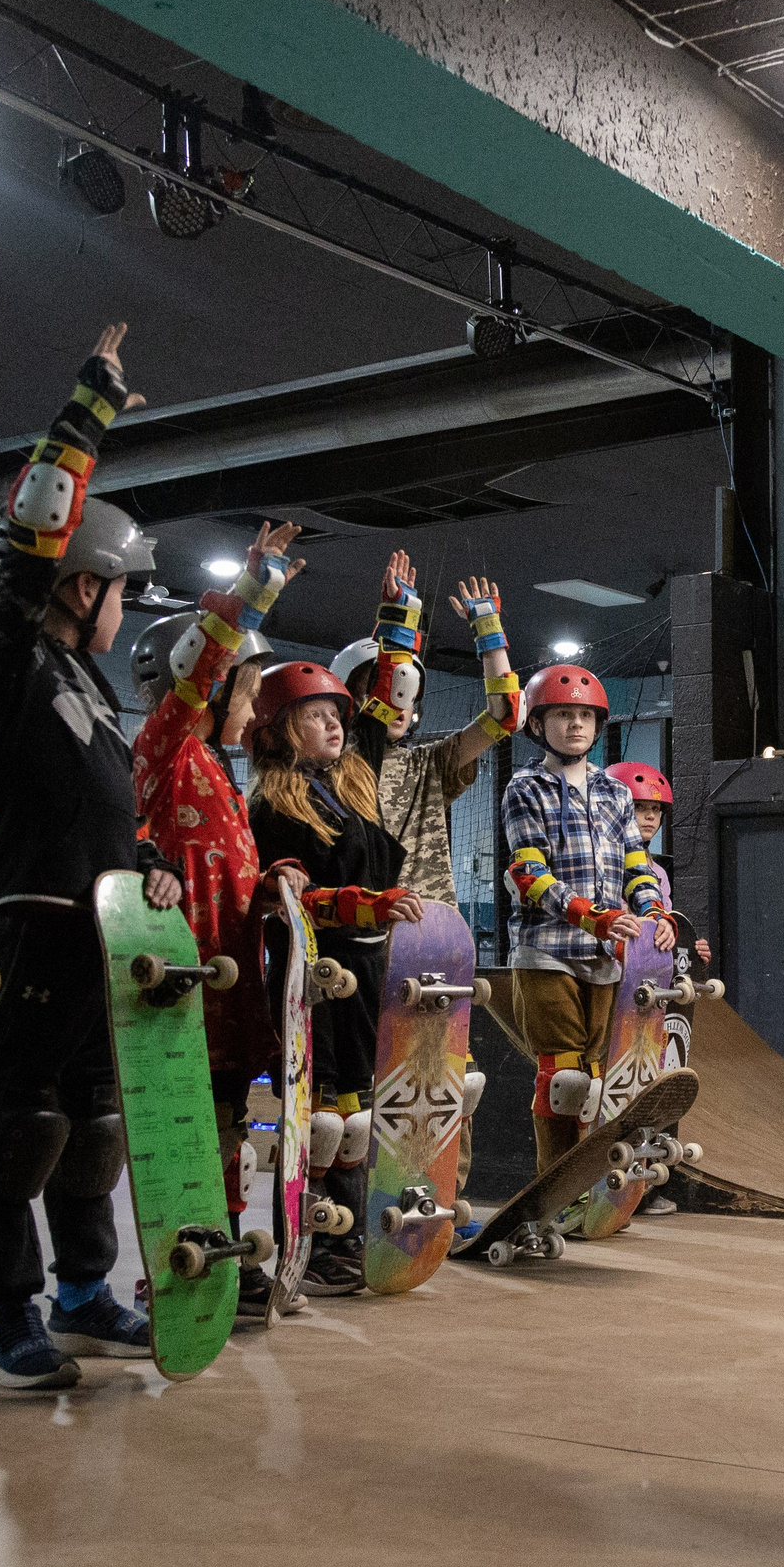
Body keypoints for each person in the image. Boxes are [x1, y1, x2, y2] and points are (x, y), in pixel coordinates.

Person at [0, 322, 184, 1390]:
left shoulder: (88, 684)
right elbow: (25, 549)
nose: (124, 609)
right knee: (23, 1127)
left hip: (101, 926)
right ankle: (6, 1317)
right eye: (120, 588)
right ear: (79, 584)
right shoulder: (0, 657)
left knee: (93, 1123)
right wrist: (86, 414)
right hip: (27, 925)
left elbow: (100, 809)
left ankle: (84, 1294)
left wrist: (149, 860)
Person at [130, 521, 309, 1322]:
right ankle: (170, 1267)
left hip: (233, 991)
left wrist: (272, 885)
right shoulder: (165, 753)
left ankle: (225, 1256)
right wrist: (249, 594)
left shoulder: (222, 775)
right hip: (183, 988)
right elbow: (193, 681)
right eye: (247, 689)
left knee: (231, 1131)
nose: (254, 704)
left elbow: (228, 881)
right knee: (184, 1133)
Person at [332, 552, 522, 1199]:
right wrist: (399, 619)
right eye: (385, 690)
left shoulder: (430, 765)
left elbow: (504, 717)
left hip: (433, 941)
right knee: (364, 1086)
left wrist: (489, 633)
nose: (400, 703)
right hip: (361, 941)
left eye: (409, 694)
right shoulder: (336, 771)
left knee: (446, 1077)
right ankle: (358, 1204)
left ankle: (440, 1202)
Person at [245, 662, 423, 1296]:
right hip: (313, 973)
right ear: (278, 730)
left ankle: (345, 1236)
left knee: (356, 1116)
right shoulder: (270, 807)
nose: (333, 725)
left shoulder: (351, 787)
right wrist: (367, 905)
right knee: (318, 1120)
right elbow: (290, 905)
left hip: (368, 967)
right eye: (314, 716)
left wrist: (406, 621)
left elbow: (388, 695)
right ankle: (308, 1244)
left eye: (334, 714)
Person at [501, 666, 674, 1170]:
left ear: (597, 725)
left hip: (606, 957)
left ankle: (596, 1181)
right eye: (563, 714)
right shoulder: (525, 787)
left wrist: (655, 914)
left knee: (600, 1081)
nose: (576, 724)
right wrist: (592, 916)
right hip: (547, 951)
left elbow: (637, 868)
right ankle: (557, 1185)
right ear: (538, 724)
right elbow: (528, 873)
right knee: (566, 1080)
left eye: (585, 715)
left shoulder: (615, 793)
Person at [601, 761, 713, 1217]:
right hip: (613, 982)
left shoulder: (658, 875)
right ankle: (608, 1179)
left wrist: (688, 946)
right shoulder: (604, 861)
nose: (649, 817)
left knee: (649, 1081)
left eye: (656, 810)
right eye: (639, 808)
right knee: (615, 1082)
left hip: (652, 990)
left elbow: (662, 929)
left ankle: (642, 1183)